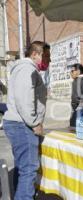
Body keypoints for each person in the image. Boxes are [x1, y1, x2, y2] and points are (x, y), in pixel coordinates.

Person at [3, 41, 50, 200]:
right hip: (22, 125)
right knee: (29, 168)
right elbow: (24, 99)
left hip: (19, 124)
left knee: (23, 167)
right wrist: (35, 122)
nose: (49, 60)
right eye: (46, 56)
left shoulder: (25, 69)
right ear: (35, 54)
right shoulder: (27, 69)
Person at [69, 63, 83, 129]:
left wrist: (74, 108)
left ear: (78, 71)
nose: (70, 73)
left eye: (72, 71)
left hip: (79, 112)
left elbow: (75, 99)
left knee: (74, 131)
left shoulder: (76, 81)